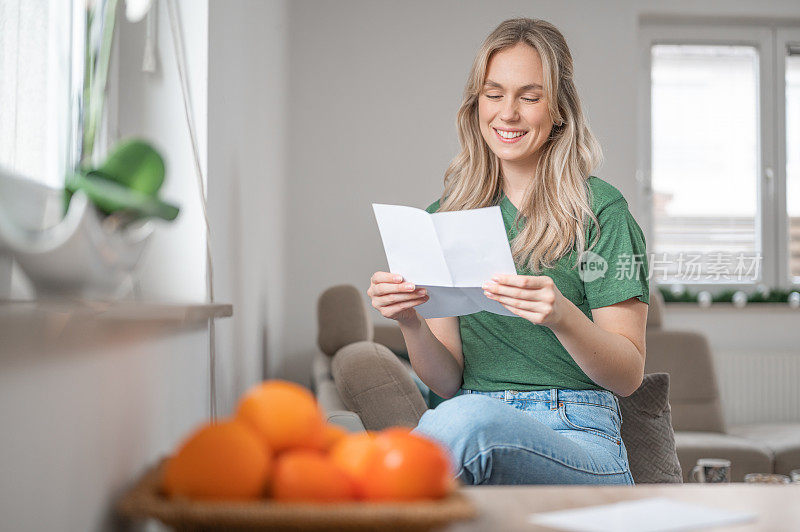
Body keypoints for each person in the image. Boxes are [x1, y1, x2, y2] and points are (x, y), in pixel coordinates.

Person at [366, 18, 649, 485]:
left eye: (530, 97)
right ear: (476, 103)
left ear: (558, 110)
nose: (508, 113)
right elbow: (446, 381)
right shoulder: (444, 218)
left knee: (464, 422)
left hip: (578, 435)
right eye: (494, 94)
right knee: (465, 418)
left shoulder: (603, 211)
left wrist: (563, 316)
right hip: (469, 428)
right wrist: (410, 321)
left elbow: (628, 375)